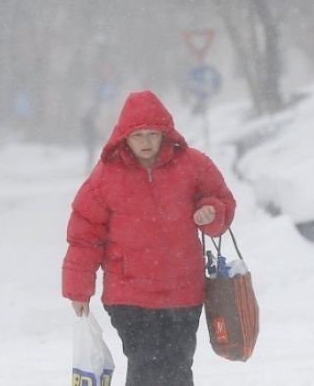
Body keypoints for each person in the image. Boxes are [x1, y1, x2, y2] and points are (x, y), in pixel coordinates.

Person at [62, 90, 236, 386]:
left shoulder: (193, 165)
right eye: (138, 135)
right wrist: (79, 289)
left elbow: (222, 203)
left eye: (152, 134)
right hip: (130, 296)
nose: (145, 142)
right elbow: (84, 235)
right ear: (124, 137)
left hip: (184, 292)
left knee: (179, 366)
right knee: (145, 364)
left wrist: (211, 212)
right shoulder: (106, 176)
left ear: (165, 133)